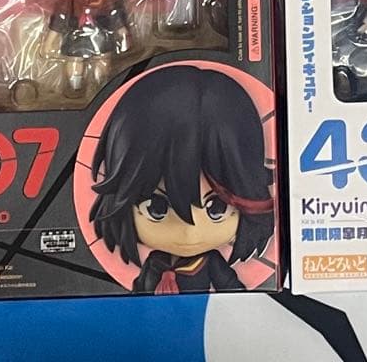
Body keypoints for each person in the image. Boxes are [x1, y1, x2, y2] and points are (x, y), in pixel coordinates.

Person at [89, 65, 274, 294]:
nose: (189, 231)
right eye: (156, 208)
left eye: (217, 208)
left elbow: (232, 290)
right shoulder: (155, 264)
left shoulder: (211, 263)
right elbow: (139, 291)